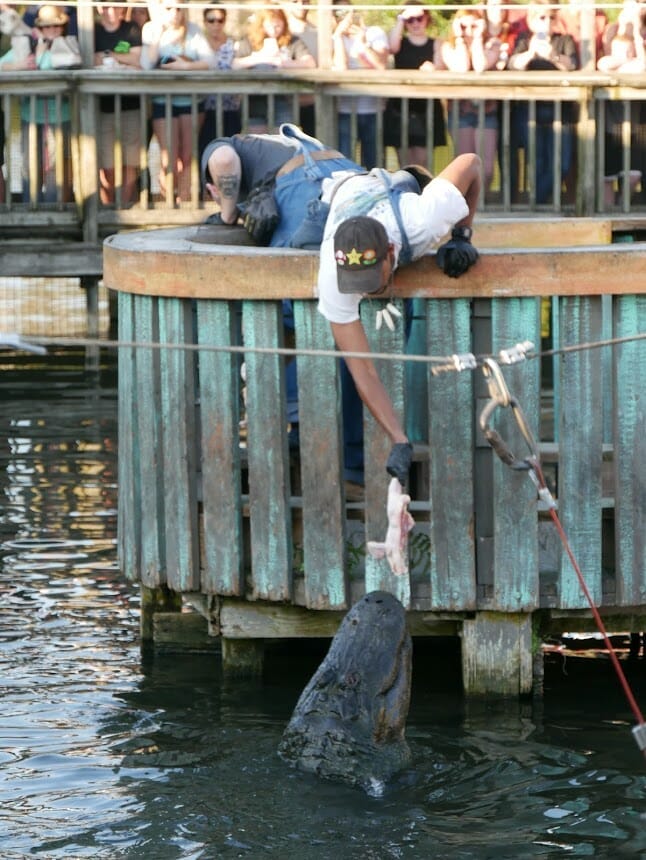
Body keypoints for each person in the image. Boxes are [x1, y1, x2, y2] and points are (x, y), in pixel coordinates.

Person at [316, 154, 481, 487]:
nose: (366, 292)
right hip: (335, 191)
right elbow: (362, 369)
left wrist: (462, 236)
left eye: (371, 282)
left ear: (392, 252)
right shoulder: (332, 273)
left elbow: (471, 163)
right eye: (357, 283)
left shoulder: (424, 219)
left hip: (394, 190)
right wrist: (398, 438)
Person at [0, 4, 80, 203]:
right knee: (29, 167)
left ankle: (54, 214)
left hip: (60, 119)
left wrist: (41, 54)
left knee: (56, 170)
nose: (52, 30)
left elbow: (61, 64)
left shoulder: (70, 44)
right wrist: (18, 65)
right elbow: (3, 63)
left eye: (56, 26)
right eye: (47, 27)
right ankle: (30, 211)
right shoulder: (29, 46)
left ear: (63, 27)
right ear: (40, 29)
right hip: (31, 118)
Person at [140, 0, 216, 202]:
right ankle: (168, 203)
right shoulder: (151, 29)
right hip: (162, 100)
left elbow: (211, 62)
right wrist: (158, 35)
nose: (175, 13)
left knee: (188, 155)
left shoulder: (194, 30)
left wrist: (185, 66)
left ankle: (184, 200)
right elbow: (146, 64)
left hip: (192, 100)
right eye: (169, 8)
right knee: (168, 156)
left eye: (179, 8)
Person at [507, 1, 579, 205]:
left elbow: (572, 65)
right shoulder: (523, 40)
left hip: (560, 112)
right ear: (531, 21)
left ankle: (535, 203)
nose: (547, 22)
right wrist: (530, 53)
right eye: (542, 17)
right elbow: (513, 65)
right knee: (537, 162)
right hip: (530, 111)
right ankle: (539, 206)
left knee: (562, 164)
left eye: (551, 17)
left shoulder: (565, 40)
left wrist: (553, 55)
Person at [441, 6, 500, 191]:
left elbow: (481, 65)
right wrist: (460, 39)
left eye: (473, 26)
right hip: (461, 112)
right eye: (463, 26)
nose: (468, 31)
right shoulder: (448, 46)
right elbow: (461, 67)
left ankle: (482, 203)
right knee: (464, 165)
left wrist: (478, 39)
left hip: (487, 111)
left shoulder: (492, 44)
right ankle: (465, 206)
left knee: (488, 169)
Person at [232, 7, 315, 134]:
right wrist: (260, 58)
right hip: (254, 99)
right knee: (257, 141)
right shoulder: (249, 40)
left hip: (284, 99)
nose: (274, 29)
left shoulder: (293, 40)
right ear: (262, 24)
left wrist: (283, 62)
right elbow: (235, 64)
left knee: (283, 140)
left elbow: (310, 63)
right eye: (270, 25)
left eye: (278, 25)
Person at [385, 2, 446, 168]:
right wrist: (401, 17)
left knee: (422, 163)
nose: (416, 23)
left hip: (426, 108)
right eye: (410, 20)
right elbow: (391, 47)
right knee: (404, 164)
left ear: (427, 19)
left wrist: (434, 68)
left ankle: (422, 194)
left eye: (419, 18)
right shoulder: (399, 43)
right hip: (400, 107)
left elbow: (441, 65)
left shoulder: (436, 43)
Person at [93, 3, 142, 206]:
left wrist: (108, 56)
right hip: (102, 105)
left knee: (130, 159)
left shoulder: (131, 28)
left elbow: (137, 58)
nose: (110, 12)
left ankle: (125, 207)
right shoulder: (93, 30)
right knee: (106, 161)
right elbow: (90, 59)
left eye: (115, 7)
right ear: (99, 9)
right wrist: (122, 60)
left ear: (122, 9)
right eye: (106, 7)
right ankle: (108, 208)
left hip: (131, 103)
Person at [331, 0, 389, 170]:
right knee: (344, 165)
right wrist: (337, 36)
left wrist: (361, 42)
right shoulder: (332, 38)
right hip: (344, 110)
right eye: (338, 13)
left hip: (374, 110)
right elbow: (341, 67)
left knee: (376, 165)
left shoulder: (374, 33)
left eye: (347, 12)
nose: (344, 18)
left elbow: (381, 65)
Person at [199, 3, 240, 176]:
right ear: (205, 21)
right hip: (203, 107)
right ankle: (205, 189)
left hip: (230, 107)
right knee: (204, 149)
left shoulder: (234, 44)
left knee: (229, 150)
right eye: (211, 20)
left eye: (220, 20)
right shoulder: (199, 43)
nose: (216, 24)